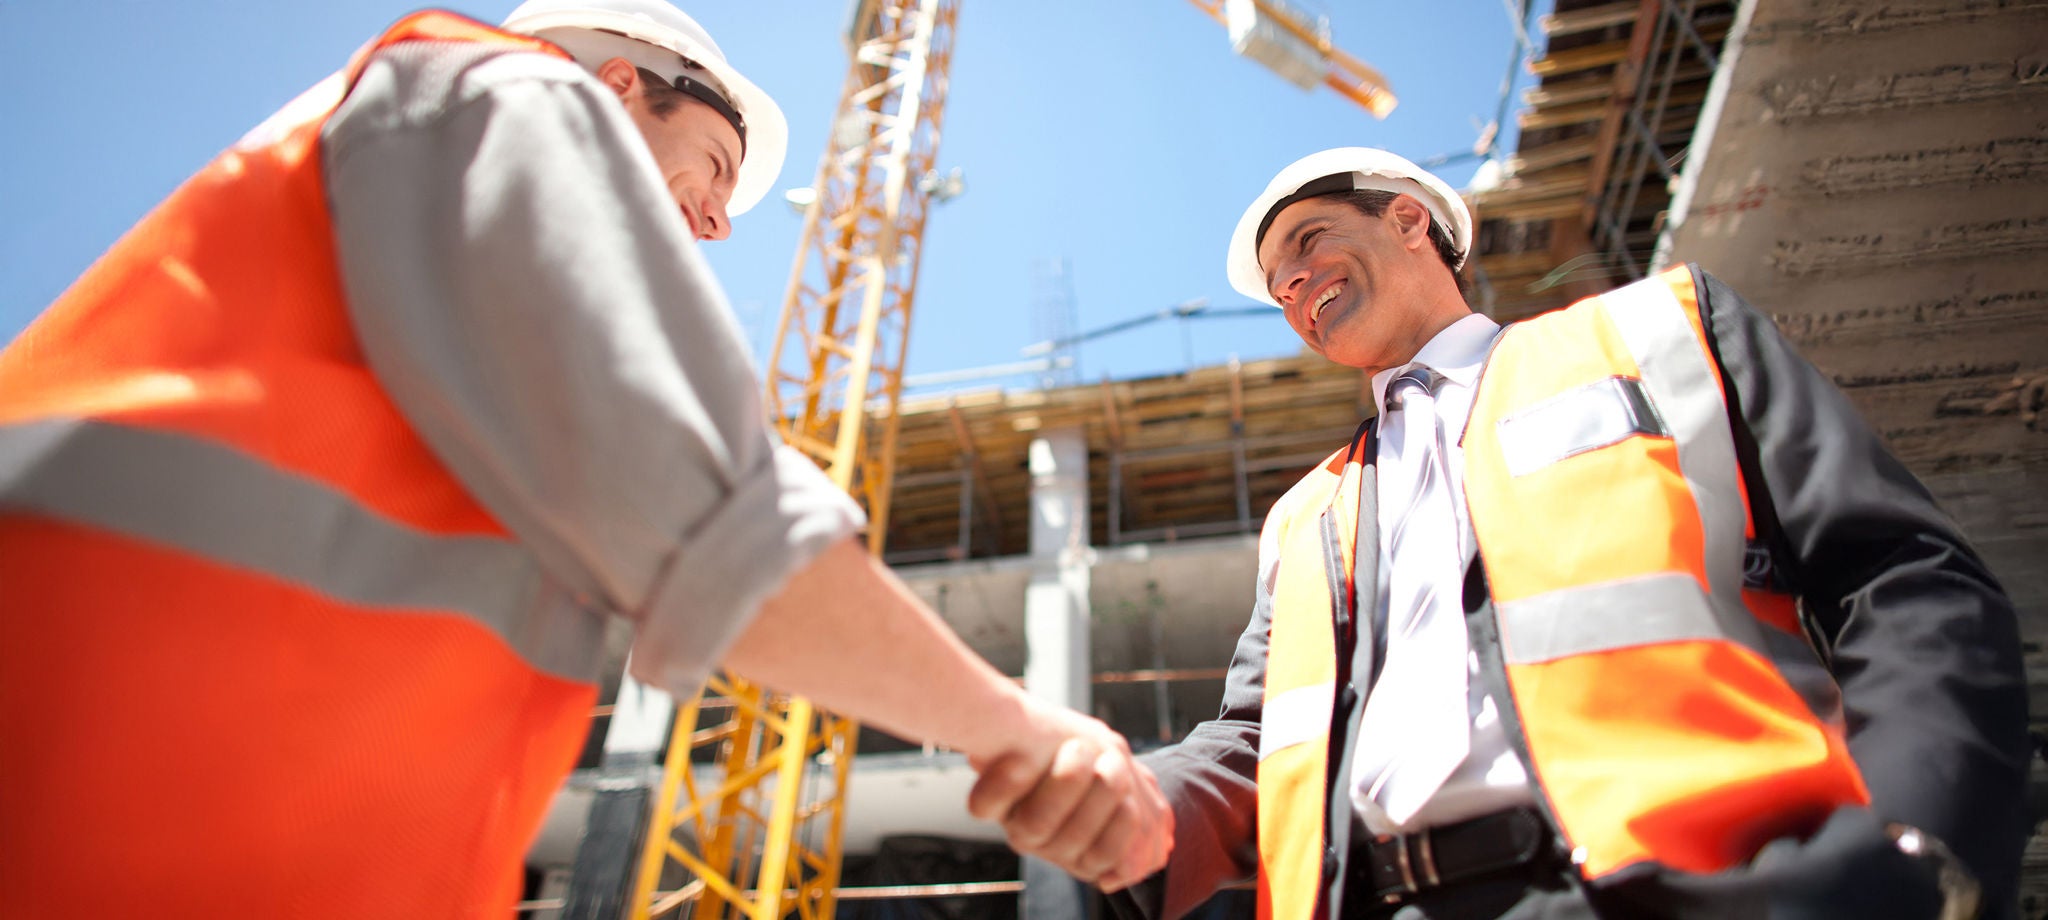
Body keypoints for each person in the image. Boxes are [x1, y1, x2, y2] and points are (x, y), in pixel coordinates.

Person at [0, 3, 1165, 915]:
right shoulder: (497, 92)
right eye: (710, 164)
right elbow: (715, 523)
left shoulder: (437, 289)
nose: (715, 222)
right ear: (614, 90)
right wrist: (1026, 730)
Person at [973, 147, 2029, 919]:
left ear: (1407, 222)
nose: (1293, 285)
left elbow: (1895, 576)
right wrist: (1131, 802)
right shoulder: (1306, 516)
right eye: (1279, 283)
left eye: (1307, 242)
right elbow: (1254, 746)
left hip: (1699, 886)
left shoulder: (1655, 335)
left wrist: (1922, 847)